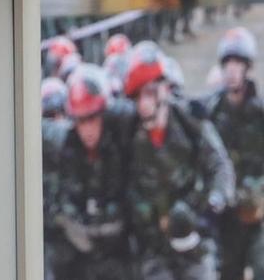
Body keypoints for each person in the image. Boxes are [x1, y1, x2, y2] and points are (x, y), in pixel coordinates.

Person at [127, 42, 235, 280]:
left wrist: (214, 202)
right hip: (154, 246)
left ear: (164, 89)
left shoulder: (190, 120)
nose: (142, 104)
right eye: (137, 96)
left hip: (196, 236)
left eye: (148, 93)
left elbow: (220, 165)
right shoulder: (128, 130)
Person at [45, 63, 138, 280]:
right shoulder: (65, 143)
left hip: (120, 248)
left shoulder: (123, 138)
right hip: (81, 252)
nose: (87, 129)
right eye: (80, 120)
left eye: (92, 118)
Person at [208, 27, 264, 280]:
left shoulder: (260, 113)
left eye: (237, 64)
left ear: (247, 68)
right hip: (226, 217)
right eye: (227, 64)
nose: (231, 71)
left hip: (258, 215)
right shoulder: (212, 113)